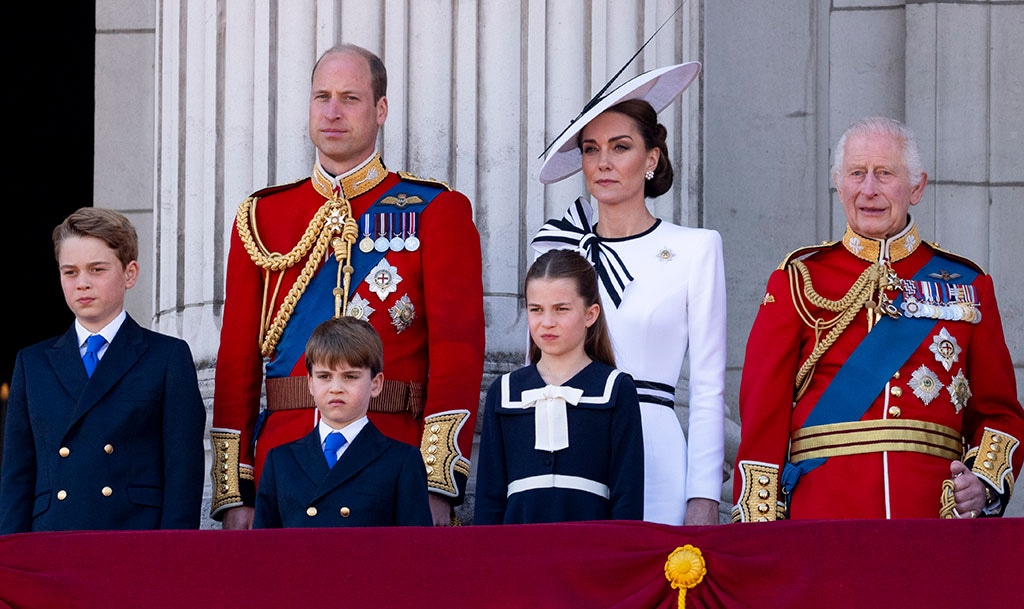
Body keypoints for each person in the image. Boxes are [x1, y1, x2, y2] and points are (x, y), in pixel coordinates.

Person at [210, 43, 485, 529]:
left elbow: (458, 354)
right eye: (322, 97)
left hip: (393, 461)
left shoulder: (434, 210)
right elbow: (236, 363)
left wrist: (438, 481)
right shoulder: (262, 217)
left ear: (380, 110)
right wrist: (237, 490)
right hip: (284, 465)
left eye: (350, 98)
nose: (332, 112)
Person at [732, 116, 1024, 521]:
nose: (868, 190)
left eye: (885, 174)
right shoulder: (799, 279)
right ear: (838, 183)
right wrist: (760, 529)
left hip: (932, 517)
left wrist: (982, 483)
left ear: (917, 187)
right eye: (857, 173)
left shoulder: (968, 283)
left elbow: (1000, 413)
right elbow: (763, 414)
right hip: (821, 516)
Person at [531, 62, 726, 526]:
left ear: (652, 158)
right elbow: (536, 362)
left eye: (621, 147)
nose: (604, 162)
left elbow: (708, 386)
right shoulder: (557, 245)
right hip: (567, 442)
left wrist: (704, 493)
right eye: (591, 149)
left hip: (654, 445)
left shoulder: (695, 248)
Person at [0, 207, 206, 533]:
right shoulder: (32, 363)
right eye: (70, 272)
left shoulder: (166, 358)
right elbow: (17, 475)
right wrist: (10, 563)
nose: (82, 283)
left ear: (130, 273)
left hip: (134, 540)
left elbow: (183, 473)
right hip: (52, 542)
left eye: (96, 270)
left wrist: (172, 557)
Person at [474, 249, 644, 524]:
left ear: (590, 314)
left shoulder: (615, 388)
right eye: (536, 310)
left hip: (592, 548)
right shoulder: (504, 391)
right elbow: (489, 499)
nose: (547, 322)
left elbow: (628, 496)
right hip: (518, 551)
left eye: (561, 309)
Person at [253, 317, 431, 528]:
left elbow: (416, 551)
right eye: (324, 376)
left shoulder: (402, 461)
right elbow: (263, 551)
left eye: (350, 376)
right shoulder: (280, 461)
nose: (335, 388)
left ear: (376, 384)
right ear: (310, 383)